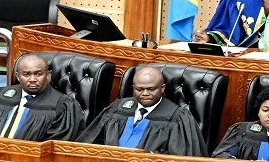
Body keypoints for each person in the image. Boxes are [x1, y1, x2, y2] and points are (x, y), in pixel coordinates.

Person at [76, 66, 207, 156]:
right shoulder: (117, 109)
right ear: (133, 87)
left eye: (151, 89)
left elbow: (182, 159)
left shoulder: (177, 118)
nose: (145, 93)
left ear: (162, 88)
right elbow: (90, 142)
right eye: (139, 89)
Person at [0, 53, 84, 142]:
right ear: (18, 76)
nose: (32, 79)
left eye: (38, 74)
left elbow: (57, 148)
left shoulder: (63, 105)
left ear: (48, 75)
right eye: (26, 74)